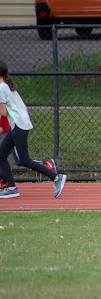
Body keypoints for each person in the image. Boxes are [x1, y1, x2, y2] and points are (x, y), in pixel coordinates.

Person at [0, 60, 66, 198]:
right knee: (1, 155)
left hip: (19, 126)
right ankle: (12, 188)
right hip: (18, 125)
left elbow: (3, 112)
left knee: (24, 160)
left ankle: (56, 177)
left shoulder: (1, 88)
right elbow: (23, 107)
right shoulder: (7, 86)